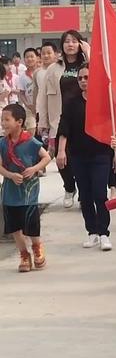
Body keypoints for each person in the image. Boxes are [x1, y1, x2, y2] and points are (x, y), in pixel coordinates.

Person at [57, 64, 113, 251]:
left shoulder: (104, 102)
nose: (83, 81)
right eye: (80, 78)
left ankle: (104, 233)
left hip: (101, 154)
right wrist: (61, 151)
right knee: (86, 196)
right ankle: (92, 232)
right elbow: (64, 127)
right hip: (78, 155)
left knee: (99, 193)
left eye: (87, 77)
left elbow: (112, 127)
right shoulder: (71, 102)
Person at [39, 30, 89, 208]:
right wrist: (42, 122)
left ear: (80, 44)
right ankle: (69, 187)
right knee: (61, 158)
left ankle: (84, 194)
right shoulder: (54, 68)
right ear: (62, 46)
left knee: (83, 157)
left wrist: (88, 52)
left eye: (74, 41)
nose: (70, 44)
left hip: (83, 118)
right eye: (67, 41)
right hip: (59, 118)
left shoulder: (87, 65)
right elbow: (43, 96)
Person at [0, 104, 51, 272]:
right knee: (14, 227)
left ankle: (37, 248)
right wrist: (9, 175)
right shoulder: (2, 144)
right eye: (2, 119)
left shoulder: (30, 141)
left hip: (29, 192)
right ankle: (24, 254)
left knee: (31, 224)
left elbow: (46, 157)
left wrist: (34, 169)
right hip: (10, 191)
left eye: (7, 119)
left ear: (19, 122)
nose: (3, 123)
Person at [18, 48, 38, 136]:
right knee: (31, 131)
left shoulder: (43, 72)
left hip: (43, 107)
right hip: (29, 108)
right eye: (27, 57)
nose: (29, 59)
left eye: (32, 56)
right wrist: (27, 104)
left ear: (37, 58)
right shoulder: (22, 76)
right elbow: (21, 93)